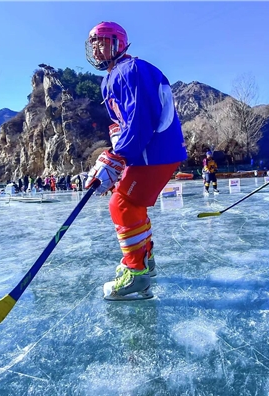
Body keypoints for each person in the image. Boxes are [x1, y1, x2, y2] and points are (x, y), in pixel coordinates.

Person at [84, 21, 188, 300]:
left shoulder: (130, 69)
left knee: (121, 203)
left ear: (118, 43)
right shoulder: (111, 78)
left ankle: (137, 272)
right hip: (146, 150)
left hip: (154, 150)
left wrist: (119, 156)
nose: (96, 48)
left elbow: (140, 120)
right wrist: (115, 153)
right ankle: (145, 259)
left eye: (102, 41)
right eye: (93, 43)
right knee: (132, 202)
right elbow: (124, 124)